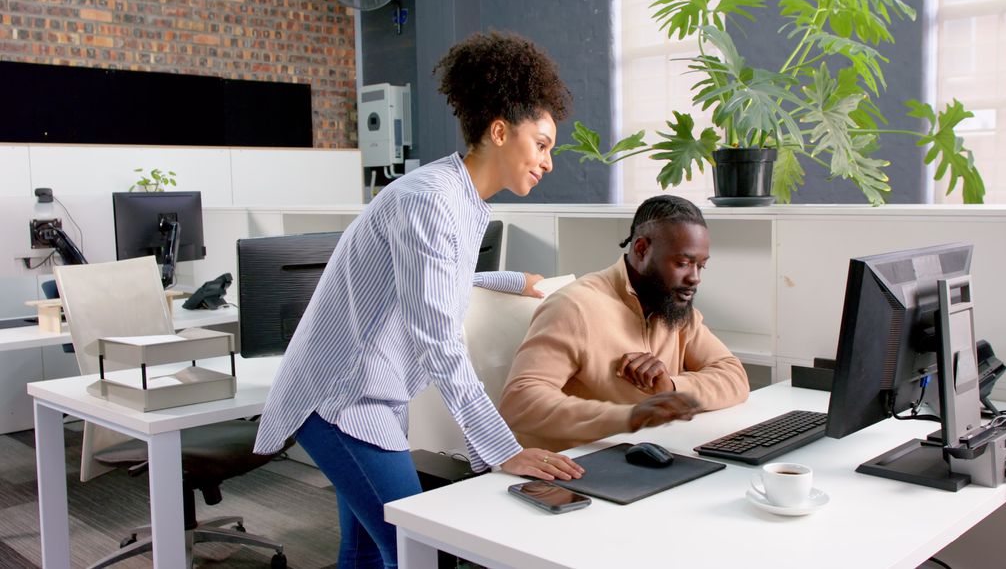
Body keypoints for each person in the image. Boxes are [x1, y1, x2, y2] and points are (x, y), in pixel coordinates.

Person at [253, 32, 583, 568]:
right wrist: (502, 450)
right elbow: (438, 340)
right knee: (419, 550)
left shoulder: (457, 198)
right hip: (342, 402)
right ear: (500, 131)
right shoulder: (431, 201)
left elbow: (436, 279)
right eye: (542, 144)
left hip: (367, 397)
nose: (548, 161)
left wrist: (511, 280)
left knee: (365, 550)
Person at [498, 195, 750, 452]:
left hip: (649, 455)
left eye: (701, 266)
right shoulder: (574, 306)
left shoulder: (675, 307)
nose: (694, 278)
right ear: (641, 249)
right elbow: (520, 402)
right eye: (683, 264)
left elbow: (734, 376)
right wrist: (628, 416)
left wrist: (671, 387)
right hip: (576, 465)